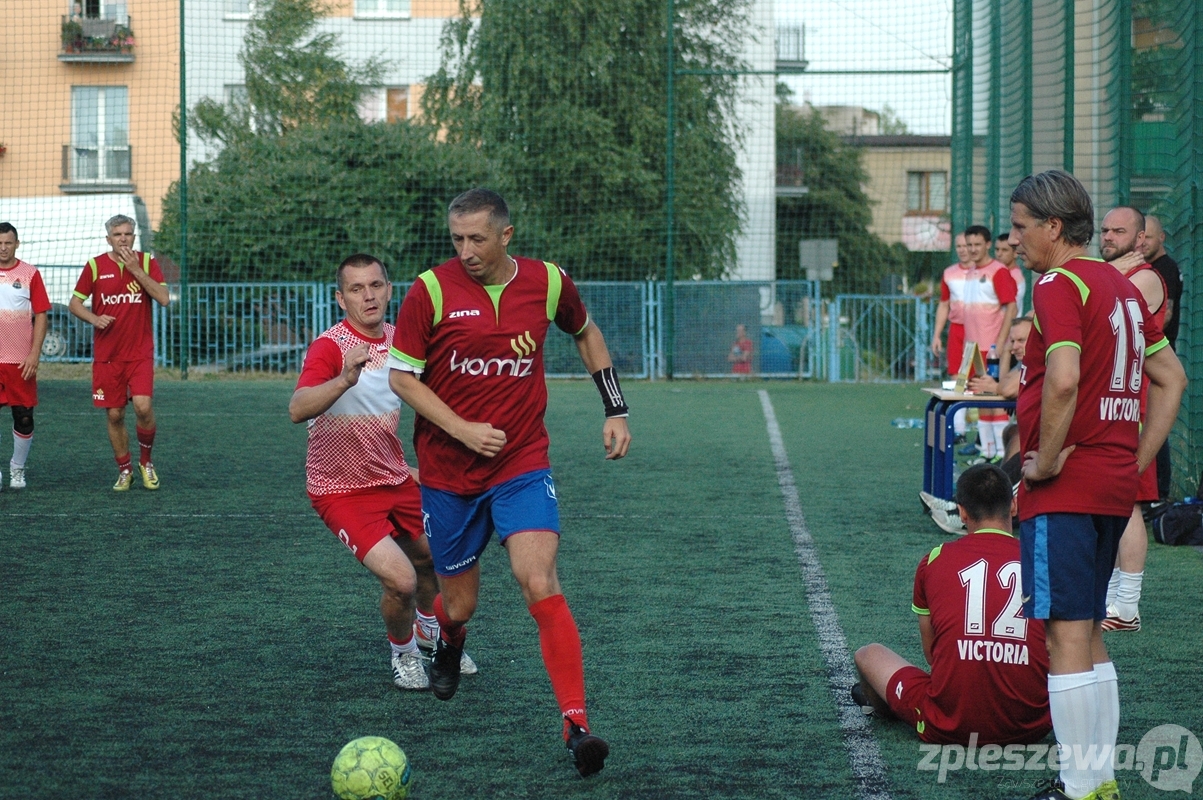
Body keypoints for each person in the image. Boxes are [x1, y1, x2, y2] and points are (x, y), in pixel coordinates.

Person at [388, 188, 631, 778]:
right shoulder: (430, 290)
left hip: (521, 462)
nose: (466, 250)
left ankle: (576, 725)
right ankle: (449, 640)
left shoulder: (548, 282)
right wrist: (462, 430)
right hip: (448, 474)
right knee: (459, 604)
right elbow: (402, 378)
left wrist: (615, 408)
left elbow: (586, 332)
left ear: (506, 235)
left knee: (538, 578)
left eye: (477, 238)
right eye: (457, 239)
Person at [1010, 170, 1185, 800]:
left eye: (1021, 226)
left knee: (1063, 633)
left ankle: (1079, 785)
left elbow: (1063, 379)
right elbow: (1172, 379)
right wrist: (1133, 458)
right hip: (1111, 484)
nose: (1015, 239)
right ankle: (1098, 781)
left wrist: (1044, 462)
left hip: (1067, 488)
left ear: (1053, 226)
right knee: (1086, 633)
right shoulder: (1121, 285)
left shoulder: (1059, 283)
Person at [289, 254, 477, 691]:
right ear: (341, 299)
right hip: (340, 489)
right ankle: (404, 652)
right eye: (356, 289)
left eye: (375, 285)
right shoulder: (330, 347)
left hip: (394, 478)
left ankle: (430, 631)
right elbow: (297, 408)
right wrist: (343, 380)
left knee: (434, 559)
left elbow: (434, 398)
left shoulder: (402, 343)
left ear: (390, 290)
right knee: (401, 579)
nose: (368, 296)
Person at [854, 464, 1052, 746]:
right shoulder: (1043, 559)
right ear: (1013, 505)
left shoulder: (935, 558)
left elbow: (932, 655)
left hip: (950, 724)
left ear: (962, 512)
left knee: (868, 654)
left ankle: (886, 706)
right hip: (1031, 726)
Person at [1099, 207, 1166, 633]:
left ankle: (1128, 604)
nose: (1108, 236)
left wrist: (1108, 276)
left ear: (1140, 239)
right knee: (1109, 502)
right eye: (1105, 230)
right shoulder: (1114, 274)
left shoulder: (1144, 279)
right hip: (1107, 403)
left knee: (1130, 503)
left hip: (1134, 407)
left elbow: (1096, 307)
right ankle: (1110, 598)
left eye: (1119, 231)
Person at [68, 215, 170, 491]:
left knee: (143, 406)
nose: (123, 238)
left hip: (139, 353)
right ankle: (125, 469)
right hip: (108, 356)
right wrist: (94, 318)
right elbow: (74, 304)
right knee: (115, 415)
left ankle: (146, 462)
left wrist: (135, 269)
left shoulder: (146, 262)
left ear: (134, 237)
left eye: (127, 234)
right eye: (117, 234)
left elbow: (163, 298)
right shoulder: (95, 266)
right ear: (108, 239)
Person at [932, 226, 1019, 459]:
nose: (972, 249)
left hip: (990, 348)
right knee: (980, 398)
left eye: (977, 244)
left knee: (995, 400)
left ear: (987, 245)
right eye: (969, 244)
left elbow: (1011, 307)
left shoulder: (998, 271)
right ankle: (987, 452)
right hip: (972, 348)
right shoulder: (969, 272)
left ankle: (1002, 454)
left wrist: (999, 343)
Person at [0, 223, 50, 491]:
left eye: (8, 243)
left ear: (17, 244)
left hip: (20, 361)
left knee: (24, 417)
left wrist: (34, 354)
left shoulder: (30, 273)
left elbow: (41, 314)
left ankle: (17, 468)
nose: (3, 248)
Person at [1142, 214, 1181, 501]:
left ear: (1162, 238)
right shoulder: (1152, 268)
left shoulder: (1164, 268)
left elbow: (1164, 314)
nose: (1143, 243)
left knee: (1155, 421)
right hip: (1152, 354)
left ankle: (1159, 492)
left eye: (1149, 237)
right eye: (1141, 237)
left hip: (1158, 355)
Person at [995, 233, 1026, 317]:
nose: (999, 254)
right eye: (997, 249)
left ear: (1015, 253)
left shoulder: (1014, 276)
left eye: (1004, 250)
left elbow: (1011, 308)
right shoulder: (1001, 272)